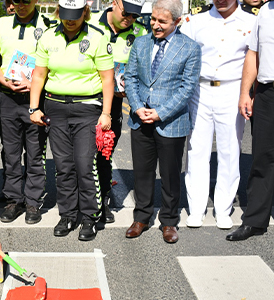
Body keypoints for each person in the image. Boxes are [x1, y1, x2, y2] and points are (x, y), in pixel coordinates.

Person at [28, 0, 114, 241]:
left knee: (85, 165)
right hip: (55, 108)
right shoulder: (47, 37)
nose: (70, 20)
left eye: (75, 15)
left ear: (84, 12)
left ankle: (89, 217)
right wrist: (33, 107)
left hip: (87, 109)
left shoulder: (97, 37)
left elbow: (107, 79)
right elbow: (39, 75)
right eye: (66, 15)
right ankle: (67, 214)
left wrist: (106, 113)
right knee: (64, 166)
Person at [122, 0, 199, 243]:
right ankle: (141, 217)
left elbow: (187, 89)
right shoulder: (141, 43)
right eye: (153, 19)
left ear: (177, 21)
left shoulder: (190, 48)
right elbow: (131, 77)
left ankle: (169, 221)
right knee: (142, 173)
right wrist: (137, 107)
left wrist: (160, 112)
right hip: (140, 119)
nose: (155, 25)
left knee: (170, 174)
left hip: (170, 122)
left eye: (162, 21)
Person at [181, 0, 256, 230]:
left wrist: (248, 93)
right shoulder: (195, 21)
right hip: (200, 89)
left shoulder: (251, 22)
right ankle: (196, 209)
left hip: (233, 89)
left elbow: (254, 58)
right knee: (197, 150)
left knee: (230, 150)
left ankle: (223, 209)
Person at [0, 0, 56, 225]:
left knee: (35, 152)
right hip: (8, 97)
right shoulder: (2, 24)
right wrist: (5, 81)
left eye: (26, 1)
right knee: (11, 152)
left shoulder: (48, 24)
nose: (22, 5)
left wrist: (35, 83)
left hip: (36, 98)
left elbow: (52, 61)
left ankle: (33, 201)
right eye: (17, 1)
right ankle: (13, 199)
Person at [93, 0, 148, 224]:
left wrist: (129, 88)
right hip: (88, 98)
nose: (129, 19)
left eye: (135, 16)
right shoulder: (90, 22)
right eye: (126, 13)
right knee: (84, 153)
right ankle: (82, 199)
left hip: (116, 102)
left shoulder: (141, 32)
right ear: (115, 3)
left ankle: (103, 199)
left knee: (105, 152)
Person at [233, 0, 274, 241]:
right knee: (262, 157)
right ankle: (255, 220)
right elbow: (253, 53)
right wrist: (245, 92)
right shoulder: (265, 12)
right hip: (267, 93)